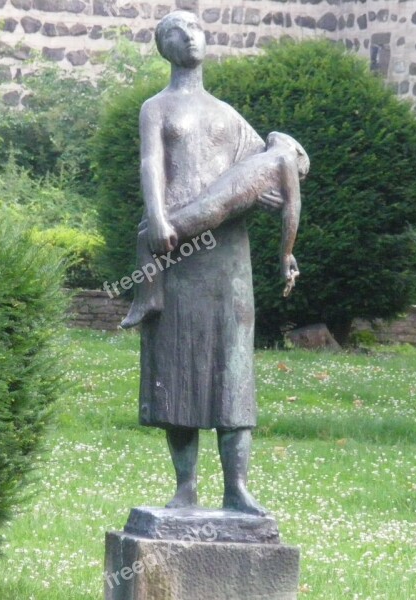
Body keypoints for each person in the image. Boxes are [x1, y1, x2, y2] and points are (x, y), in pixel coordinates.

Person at [131, 10, 307, 516]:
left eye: (197, 30)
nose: (190, 37)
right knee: (178, 365)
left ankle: (238, 488)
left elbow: (267, 173)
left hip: (228, 256)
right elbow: (151, 164)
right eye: (176, 33)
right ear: (164, 47)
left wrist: (270, 199)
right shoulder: (156, 108)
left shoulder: (230, 117)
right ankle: (185, 488)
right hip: (176, 250)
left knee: (233, 367)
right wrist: (157, 216)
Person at [121, 130, 309, 328]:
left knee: (147, 238)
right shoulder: (266, 157)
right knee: (148, 231)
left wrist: (286, 253)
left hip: (211, 209)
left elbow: (292, 210)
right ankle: (150, 297)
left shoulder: (285, 158)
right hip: (208, 204)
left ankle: (148, 300)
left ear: (298, 153)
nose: (274, 134)